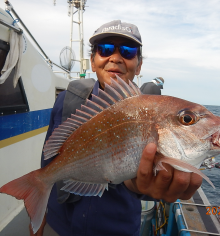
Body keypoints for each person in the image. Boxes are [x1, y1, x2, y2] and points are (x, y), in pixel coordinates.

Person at [33, 20, 202, 236]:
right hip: (59, 225)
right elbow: (48, 160)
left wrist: (145, 187)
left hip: (116, 229)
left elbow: (143, 180)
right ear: (93, 62)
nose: (115, 57)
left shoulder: (150, 112)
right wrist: (38, 221)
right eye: (104, 49)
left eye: (128, 51)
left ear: (138, 65)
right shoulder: (67, 100)